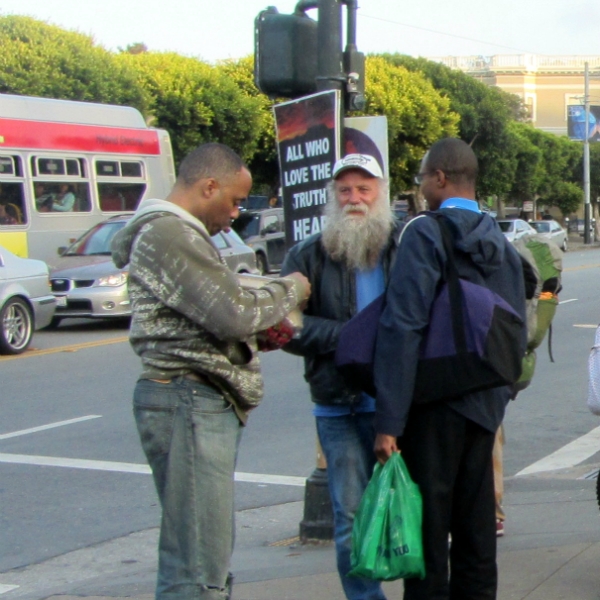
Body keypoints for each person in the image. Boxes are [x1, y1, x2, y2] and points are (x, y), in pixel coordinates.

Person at [110, 142, 310, 600]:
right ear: (208, 186)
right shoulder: (170, 234)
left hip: (192, 400)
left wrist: (256, 336)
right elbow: (232, 312)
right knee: (199, 564)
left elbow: (207, 319)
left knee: (202, 554)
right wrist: (290, 289)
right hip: (189, 398)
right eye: (236, 201)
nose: (237, 213)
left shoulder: (174, 234)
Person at [373, 138, 526, 600]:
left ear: (440, 177)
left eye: (422, 177)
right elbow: (515, 327)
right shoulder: (500, 240)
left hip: (433, 403)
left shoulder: (424, 231)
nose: (420, 186)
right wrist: (497, 397)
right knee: (477, 529)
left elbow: (403, 324)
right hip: (483, 404)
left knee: (429, 535)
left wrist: (389, 421)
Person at [281, 153, 403, 600]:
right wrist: (352, 338)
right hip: (338, 405)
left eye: (364, 189)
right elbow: (284, 325)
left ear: (380, 194)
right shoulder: (307, 255)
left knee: (405, 508)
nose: (355, 199)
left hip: (398, 403)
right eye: (345, 190)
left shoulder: (404, 248)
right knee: (349, 516)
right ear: (333, 197)